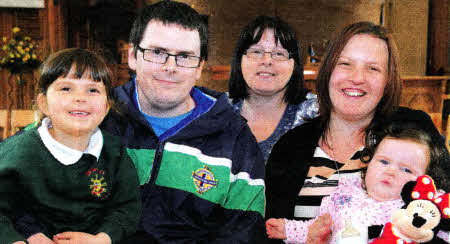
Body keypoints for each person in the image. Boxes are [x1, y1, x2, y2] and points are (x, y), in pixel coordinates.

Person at [264, 21, 448, 243]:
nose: (357, 78)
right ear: (328, 70)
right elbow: (272, 234)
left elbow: (442, 214)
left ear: (388, 80)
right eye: (345, 64)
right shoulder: (290, 146)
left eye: (373, 68)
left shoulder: (413, 131)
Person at [99, 1, 266, 243]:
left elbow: (244, 232)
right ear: (133, 56)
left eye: (185, 57)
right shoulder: (96, 118)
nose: (170, 67)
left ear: (199, 68)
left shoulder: (234, 137)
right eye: (157, 52)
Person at [0, 48, 140, 244]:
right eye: (66, 88)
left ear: (107, 107)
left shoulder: (114, 152)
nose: (80, 98)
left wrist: (102, 239)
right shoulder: (17, 153)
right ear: (43, 103)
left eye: (93, 90)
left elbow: (127, 209)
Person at [265, 121, 450, 243]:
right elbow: (317, 227)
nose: (390, 171)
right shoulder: (345, 194)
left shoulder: (422, 211)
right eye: (383, 161)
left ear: (427, 182)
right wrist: (289, 229)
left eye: (406, 169)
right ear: (368, 163)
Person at [228, 16, 318, 162]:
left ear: (294, 64)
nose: (267, 61)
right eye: (256, 52)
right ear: (239, 60)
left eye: (279, 53)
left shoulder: (318, 114)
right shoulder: (216, 110)